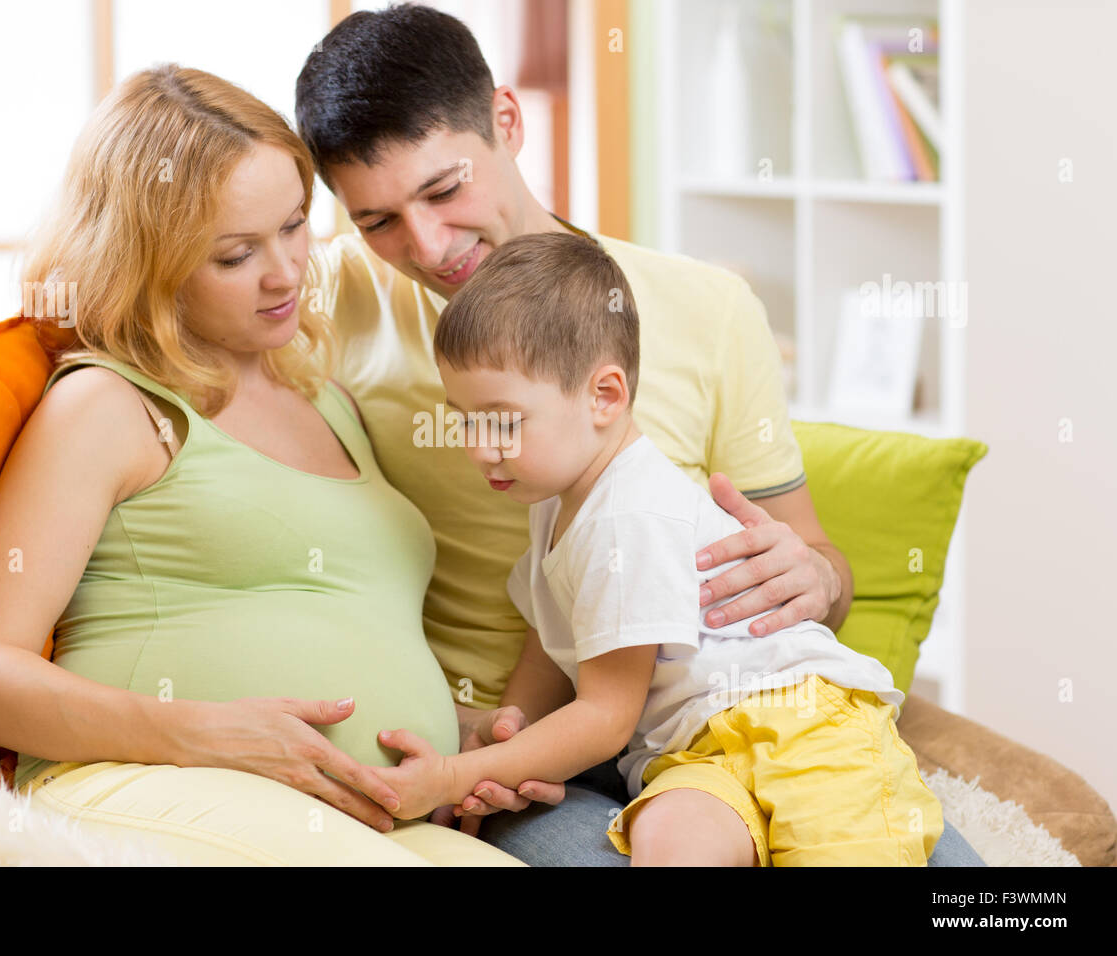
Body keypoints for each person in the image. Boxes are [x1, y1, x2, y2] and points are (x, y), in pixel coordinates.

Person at [293, 3, 985, 865]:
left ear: (506, 121)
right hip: (585, 750)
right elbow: (167, 288)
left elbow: (821, 568)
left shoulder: (708, 309)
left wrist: (812, 574)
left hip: (738, 710)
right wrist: (493, 743)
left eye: (445, 189)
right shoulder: (324, 301)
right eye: (377, 221)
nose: (428, 245)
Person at [0, 63, 524, 866]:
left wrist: (472, 755)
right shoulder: (109, 406)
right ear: (152, 261)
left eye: (292, 226)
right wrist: (210, 733)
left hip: (368, 822)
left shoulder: (326, 399)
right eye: (236, 254)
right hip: (141, 787)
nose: (285, 273)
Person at [369, 231, 945, 865]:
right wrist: (509, 734)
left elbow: (606, 717)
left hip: (804, 727)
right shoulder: (554, 501)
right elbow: (553, 644)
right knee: (670, 843)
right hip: (692, 755)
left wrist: (451, 775)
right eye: (465, 418)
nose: (478, 446)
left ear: (605, 396)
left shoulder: (628, 515)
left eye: (501, 419)